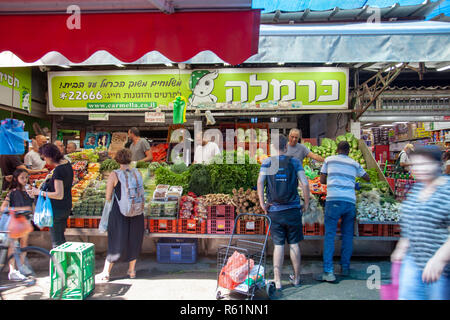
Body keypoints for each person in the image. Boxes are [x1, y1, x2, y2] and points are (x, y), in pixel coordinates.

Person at [390, 146, 450, 300]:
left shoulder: (446, 191)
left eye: (425, 164)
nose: (419, 169)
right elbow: (412, 221)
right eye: (415, 165)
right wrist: (402, 245)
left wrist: (440, 259)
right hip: (412, 260)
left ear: (438, 164)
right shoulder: (417, 188)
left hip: (439, 268)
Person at [257, 134, 310, 297]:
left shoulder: (267, 162)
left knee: (278, 245)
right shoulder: (295, 162)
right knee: (294, 244)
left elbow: (260, 182)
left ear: (273, 147)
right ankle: (297, 278)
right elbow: (305, 183)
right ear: (286, 147)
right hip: (293, 209)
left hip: (275, 211)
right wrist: (306, 203)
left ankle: (278, 280)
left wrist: (262, 203)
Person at [316, 141, 370, 282]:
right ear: (349, 151)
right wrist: (353, 182)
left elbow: (322, 180)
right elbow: (367, 178)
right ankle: (345, 268)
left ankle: (328, 271)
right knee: (347, 236)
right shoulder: (354, 163)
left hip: (333, 201)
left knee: (330, 235)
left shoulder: (329, 160)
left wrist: (333, 180)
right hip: (350, 202)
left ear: (337, 149)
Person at [96, 148, 145, 282]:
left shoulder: (114, 174)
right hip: (137, 212)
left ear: (117, 160)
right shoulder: (137, 172)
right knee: (134, 240)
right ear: (130, 158)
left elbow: (108, 196)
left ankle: (106, 272)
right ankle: (132, 270)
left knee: (116, 240)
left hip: (120, 212)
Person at [27, 143, 74, 248]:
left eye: (44, 158)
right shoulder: (67, 164)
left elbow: (58, 194)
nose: (45, 161)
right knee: (61, 238)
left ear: (49, 156)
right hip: (66, 206)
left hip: (57, 209)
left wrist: (38, 192)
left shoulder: (58, 171)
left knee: (57, 242)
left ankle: (58, 263)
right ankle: (63, 262)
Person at [0, 168, 34, 280]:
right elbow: (3, 208)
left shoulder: (29, 191)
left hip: (25, 221)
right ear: (16, 179)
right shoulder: (12, 193)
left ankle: (21, 266)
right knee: (13, 245)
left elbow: (32, 207)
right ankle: (12, 269)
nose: (25, 180)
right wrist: (21, 209)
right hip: (15, 222)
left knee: (24, 244)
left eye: (26, 177)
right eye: (22, 178)